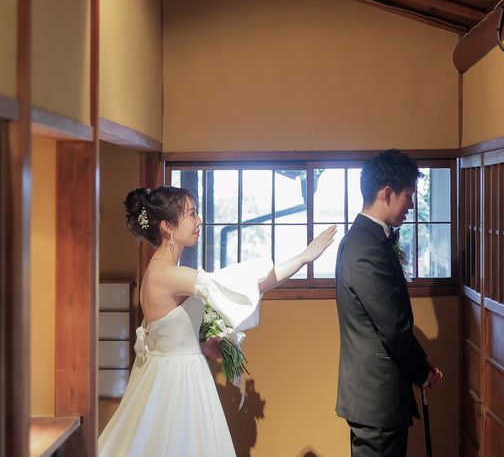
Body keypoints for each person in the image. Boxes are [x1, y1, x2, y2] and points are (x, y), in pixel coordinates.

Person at [99, 186, 336, 456]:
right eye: (192, 214)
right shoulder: (168, 275)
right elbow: (250, 284)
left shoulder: (158, 270)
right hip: (179, 381)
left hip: (167, 372)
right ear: (167, 226)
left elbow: (164, 336)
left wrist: (198, 346)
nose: (199, 221)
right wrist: (304, 257)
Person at [335, 150, 443, 457]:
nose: (412, 204)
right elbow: (393, 327)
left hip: (375, 395)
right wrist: (421, 372)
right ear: (387, 193)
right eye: (409, 195)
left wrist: (421, 360)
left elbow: (391, 319)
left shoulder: (370, 239)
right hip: (376, 395)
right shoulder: (366, 247)